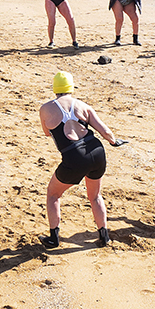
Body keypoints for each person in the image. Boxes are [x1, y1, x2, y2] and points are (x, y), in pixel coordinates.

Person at [39, 71, 126, 249]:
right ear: (71, 87)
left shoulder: (46, 108)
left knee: (53, 195)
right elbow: (106, 132)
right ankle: (104, 236)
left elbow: (47, 132)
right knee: (95, 196)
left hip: (74, 156)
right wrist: (114, 142)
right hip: (96, 151)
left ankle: (54, 238)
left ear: (54, 88)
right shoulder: (82, 106)